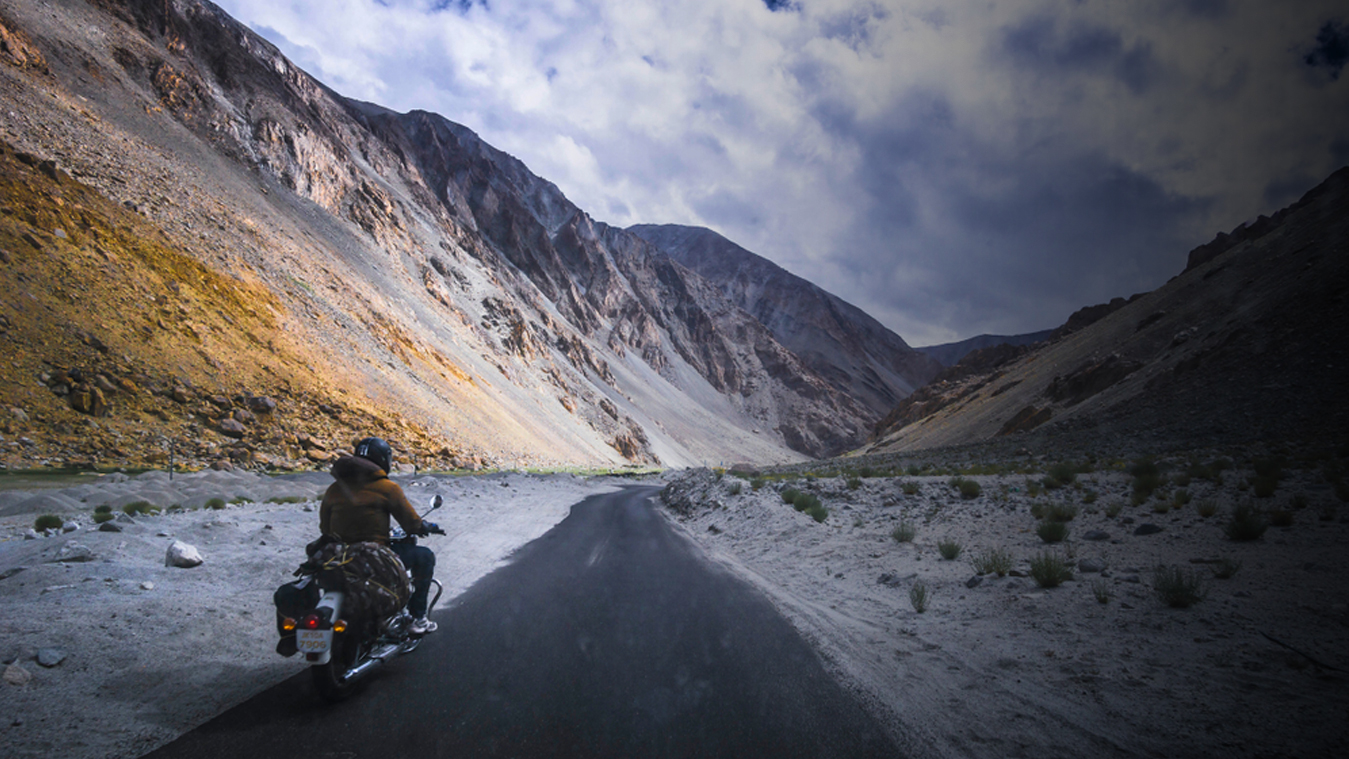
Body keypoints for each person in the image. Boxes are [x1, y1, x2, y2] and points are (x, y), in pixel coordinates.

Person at [319, 436, 439, 634]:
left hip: (336, 556)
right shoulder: (387, 488)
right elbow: (411, 524)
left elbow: (324, 528)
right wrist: (424, 527)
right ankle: (418, 618)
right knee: (425, 556)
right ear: (383, 460)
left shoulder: (334, 489)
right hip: (371, 556)